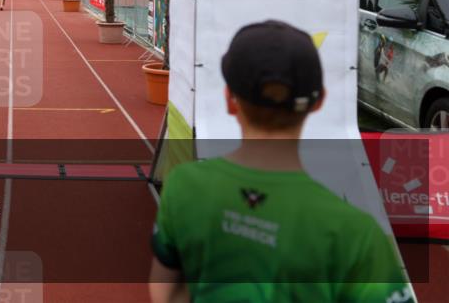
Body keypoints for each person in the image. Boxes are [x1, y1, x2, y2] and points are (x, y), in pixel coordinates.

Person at [149, 20, 414, 303]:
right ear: (318, 102)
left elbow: (165, 291)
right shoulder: (356, 233)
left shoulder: (183, 186)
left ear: (229, 99)